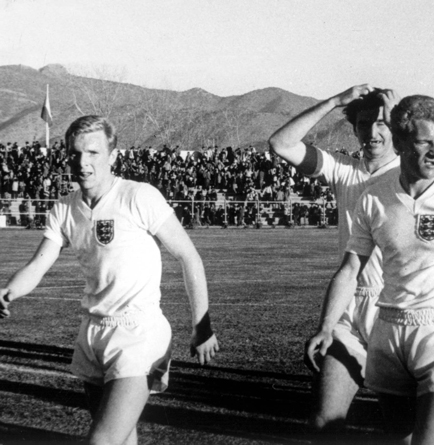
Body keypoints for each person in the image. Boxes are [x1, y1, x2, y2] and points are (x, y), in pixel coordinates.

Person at [306, 95, 434, 444]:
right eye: (423, 142)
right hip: (389, 331)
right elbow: (350, 268)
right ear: (400, 143)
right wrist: (328, 326)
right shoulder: (374, 196)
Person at [0, 116, 220, 445]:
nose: (83, 162)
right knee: (122, 437)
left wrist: (202, 325)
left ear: (112, 156)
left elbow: (189, 256)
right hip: (92, 333)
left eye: (93, 153)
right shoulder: (64, 209)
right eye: (75, 154)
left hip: (138, 332)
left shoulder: (139, 196)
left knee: (102, 440)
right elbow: (38, 264)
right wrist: (8, 291)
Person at [268, 84, 400, 432]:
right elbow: (281, 144)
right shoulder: (343, 169)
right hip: (350, 306)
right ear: (354, 128)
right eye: (364, 123)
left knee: (402, 430)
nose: (373, 132)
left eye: (383, 123)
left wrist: (399, 115)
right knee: (324, 421)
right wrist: (334, 102)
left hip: (398, 310)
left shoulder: (410, 175)